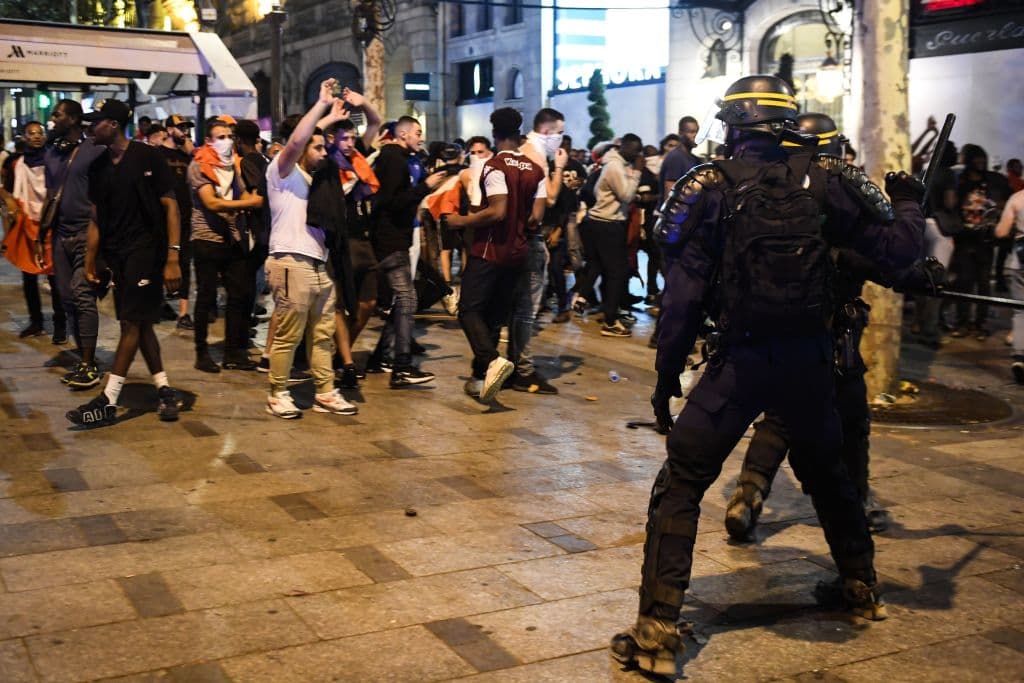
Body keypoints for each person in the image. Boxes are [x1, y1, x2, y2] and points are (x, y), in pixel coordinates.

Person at [610, 75, 926, 677]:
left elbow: (682, 300)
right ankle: (860, 585)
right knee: (829, 474)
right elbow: (900, 252)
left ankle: (656, 629)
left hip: (740, 362)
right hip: (810, 362)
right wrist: (909, 199)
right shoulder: (831, 179)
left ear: (732, 126)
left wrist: (667, 376)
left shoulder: (705, 186)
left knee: (682, 481)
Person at [724, 112, 898, 542]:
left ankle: (749, 491)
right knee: (852, 419)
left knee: (780, 415)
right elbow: (883, 253)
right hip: (831, 332)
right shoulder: (839, 192)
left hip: (778, 328)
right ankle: (856, 506)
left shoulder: (770, 187)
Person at [66, 99, 182, 427]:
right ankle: (164, 390)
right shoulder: (98, 167)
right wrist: (91, 261)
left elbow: (171, 206)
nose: (90, 127)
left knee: (131, 323)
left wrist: (173, 257)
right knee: (139, 323)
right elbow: (96, 219)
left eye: (96, 122)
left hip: (147, 252)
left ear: (114, 124)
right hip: (118, 255)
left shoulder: (149, 157)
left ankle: (109, 399)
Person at [262, 80, 357, 418]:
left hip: (318, 263)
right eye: (317, 147)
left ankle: (325, 392)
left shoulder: (314, 178)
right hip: (290, 261)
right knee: (289, 335)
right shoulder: (281, 172)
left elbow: (311, 138)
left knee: (322, 335)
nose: (323, 151)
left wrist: (331, 118)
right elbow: (298, 140)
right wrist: (320, 105)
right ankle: (277, 393)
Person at [444, 107, 547, 403]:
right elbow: (536, 217)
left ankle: (492, 361)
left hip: (489, 249)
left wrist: (461, 221)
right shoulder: (535, 169)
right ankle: (480, 378)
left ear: (494, 133)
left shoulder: (495, 166)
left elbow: (497, 211)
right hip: (518, 253)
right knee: (494, 316)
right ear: (518, 132)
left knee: (468, 309)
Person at [369, 116, 445, 386]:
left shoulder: (405, 159)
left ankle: (381, 357)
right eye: (417, 132)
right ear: (403, 134)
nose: (421, 138)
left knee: (404, 300)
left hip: (398, 238)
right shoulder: (393, 159)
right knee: (407, 298)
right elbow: (391, 201)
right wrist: (425, 187)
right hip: (389, 239)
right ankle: (401, 367)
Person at [39, 99, 108, 389]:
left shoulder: (95, 150)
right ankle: (84, 359)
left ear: (74, 119)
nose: (53, 119)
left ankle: (90, 364)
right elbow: (50, 195)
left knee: (82, 296)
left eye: (58, 114)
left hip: (86, 233)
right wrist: (40, 235)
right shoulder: (52, 153)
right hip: (59, 235)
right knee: (67, 300)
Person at [188, 117, 263, 373]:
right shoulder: (198, 166)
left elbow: (247, 192)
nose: (227, 141)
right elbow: (212, 203)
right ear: (208, 141)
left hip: (233, 238)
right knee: (206, 296)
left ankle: (233, 352)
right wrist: (248, 204)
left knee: (239, 294)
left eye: (229, 136)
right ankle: (201, 352)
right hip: (207, 238)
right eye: (220, 137)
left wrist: (246, 201)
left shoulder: (234, 165)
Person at [508, 108, 568, 393]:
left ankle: (512, 365)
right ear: (546, 131)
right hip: (529, 236)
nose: (561, 138)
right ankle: (523, 369)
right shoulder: (536, 155)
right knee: (526, 309)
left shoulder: (521, 150)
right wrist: (559, 168)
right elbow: (550, 198)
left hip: (516, 236)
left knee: (517, 307)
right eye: (560, 132)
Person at [570, 133, 645, 337]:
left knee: (598, 264)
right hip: (608, 225)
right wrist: (637, 172)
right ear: (625, 148)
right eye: (635, 150)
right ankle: (610, 321)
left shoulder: (613, 164)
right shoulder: (615, 166)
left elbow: (600, 191)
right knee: (617, 272)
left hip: (599, 222)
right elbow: (626, 195)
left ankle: (583, 297)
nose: (638, 155)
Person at [0, 121, 67, 344]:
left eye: (40, 133)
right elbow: (6, 191)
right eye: (31, 133)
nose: (36, 136)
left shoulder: (55, 160)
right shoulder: (15, 163)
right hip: (26, 223)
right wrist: (10, 204)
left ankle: (60, 324)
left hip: (51, 223)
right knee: (28, 276)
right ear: (24, 137)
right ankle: (36, 321)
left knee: (55, 278)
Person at [949, 144, 1011, 339]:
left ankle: (979, 324)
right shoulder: (960, 182)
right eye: (976, 160)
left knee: (983, 284)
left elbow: (1006, 199)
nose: (980, 163)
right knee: (964, 283)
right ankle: (962, 322)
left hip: (985, 239)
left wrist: (998, 208)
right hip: (965, 238)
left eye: (982, 160)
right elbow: (952, 206)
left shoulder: (992, 181)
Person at [995, 187, 1024, 384]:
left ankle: (1020, 358)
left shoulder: (1017, 198)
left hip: (1018, 261)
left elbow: (1001, 231)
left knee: (1021, 311)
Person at [659, 116, 699, 201]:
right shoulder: (675, 157)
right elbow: (670, 193)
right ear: (680, 133)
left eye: (697, 132)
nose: (696, 135)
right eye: (691, 132)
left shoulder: (695, 159)